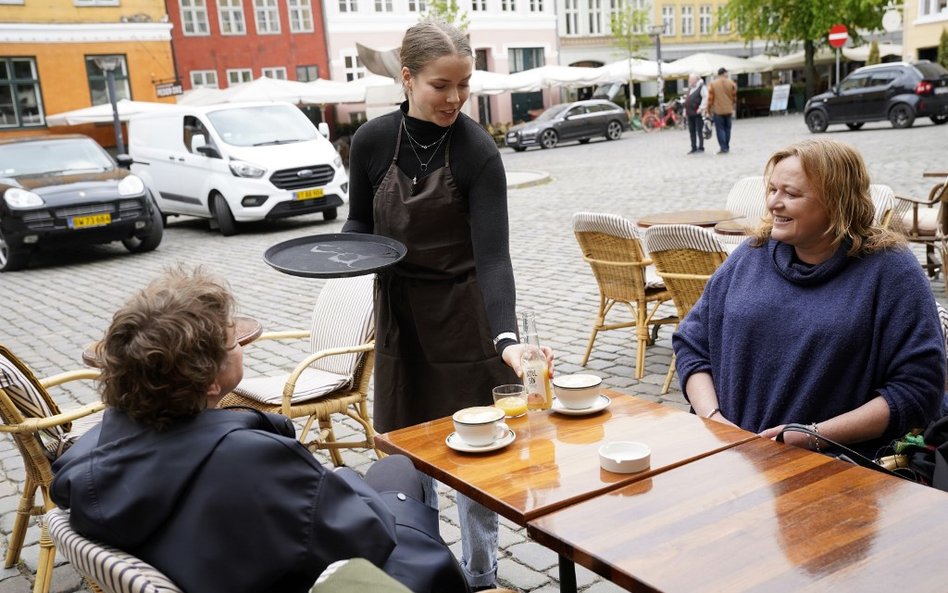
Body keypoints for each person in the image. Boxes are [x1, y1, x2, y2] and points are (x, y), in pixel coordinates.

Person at [50, 267, 469, 593]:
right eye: (233, 342)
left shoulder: (91, 456)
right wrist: (343, 485)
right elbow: (365, 539)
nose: (241, 345)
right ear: (210, 381)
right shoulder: (248, 459)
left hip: (218, 561)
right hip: (319, 578)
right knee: (396, 472)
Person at [343, 19, 552, 591]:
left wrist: (505, 339)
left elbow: (494, 259)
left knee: (473, 454)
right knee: (409, 454)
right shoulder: (370, 142)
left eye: (465, 86)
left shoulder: (476, 149)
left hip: (465, 318)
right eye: (442, 85)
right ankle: (426, 571)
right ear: (407, 78)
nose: (456, 99)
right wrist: (342, 253)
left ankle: (481, 575)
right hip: (401, 318)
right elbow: (360, 222)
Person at [673, 138, 945, 459]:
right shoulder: (749, 256)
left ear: (837, 201)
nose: (774, 203)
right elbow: (692, 345)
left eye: (791, 193)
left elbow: (919, 389)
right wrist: (715, 421)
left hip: (834, 473)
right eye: (772, 190)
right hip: (731, 459)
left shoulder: (890, 271)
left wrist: (811, 437)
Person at [707, 67, 736, 154]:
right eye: (726, 73)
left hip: (718, 110)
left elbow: (710, 99)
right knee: (728, 129)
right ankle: (726, 146)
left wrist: (709, 109)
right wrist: (732, 106)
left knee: (720, 129)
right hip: (728, 109)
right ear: (724, 73)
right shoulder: (731, 83)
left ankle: (723, 147)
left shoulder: (713, 84)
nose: (727, 75)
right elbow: (734, 97)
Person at [684, 73, 708, 154]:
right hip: (690, 113)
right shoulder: (690, 88)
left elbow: (706, 97)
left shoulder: (701, 87)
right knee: (692, 131)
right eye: (689, 79)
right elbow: (688, 99)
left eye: (691, 79)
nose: (689, 81)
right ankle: (693, 147)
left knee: (699, 130)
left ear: (696, 80)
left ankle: (701, 147)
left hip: (698, 113)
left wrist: (701, 108)